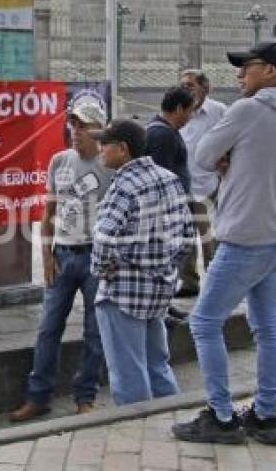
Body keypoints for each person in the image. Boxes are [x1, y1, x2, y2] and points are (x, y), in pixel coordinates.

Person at [173, 42, 276, 446]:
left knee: (203, 322)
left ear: (269, 72)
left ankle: (221, 416)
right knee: (268, 329)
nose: (238, 76)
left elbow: (200, 155)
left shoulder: (248, 110)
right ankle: (266, 417)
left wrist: (224, 154)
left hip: (244, 240)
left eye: (245, 68)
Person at [9, 100, 112, 422]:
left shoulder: (111, 165)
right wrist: (46, 256)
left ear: (99, 129)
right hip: (64, 254)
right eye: (73, 125)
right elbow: (48, 213)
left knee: (95, 333)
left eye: (83, 125)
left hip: (96, 254)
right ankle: (38, 396)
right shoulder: (59, 162)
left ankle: (86, 395)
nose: (76, 131)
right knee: (48, 328)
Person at [92, 119, 194, 406]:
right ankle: (170, 417)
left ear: (122, 149)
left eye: (105, 144)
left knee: (128, 372)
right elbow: (187, 234)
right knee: (158, 365)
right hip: (160, 289)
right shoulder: (168, 178)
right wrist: (166, 267)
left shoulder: (124, 185)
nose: (100, 149)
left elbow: (104, 238)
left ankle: (142, 436)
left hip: (124, 292)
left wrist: (102, 271)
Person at [144, 86, 195, 325]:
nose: (191, 117)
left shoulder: (166, 132)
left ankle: (164, 303)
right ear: (178, 109)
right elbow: (159, 177)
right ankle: (160, 308)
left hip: (173, 209)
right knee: (162, 262)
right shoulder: (161, 135)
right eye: (190, 111)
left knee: (168, 263)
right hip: (164, 213)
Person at [176, 70, 227, 298]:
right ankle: (188, 283)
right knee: (184, 239)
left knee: (210, 238)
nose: (186, 90)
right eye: (182, 86)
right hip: (183, 185)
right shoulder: (178, 110)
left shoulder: (219, 111)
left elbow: (231, 140)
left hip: (209, 185)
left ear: (204, 88)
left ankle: (216, 282)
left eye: (190, 85)